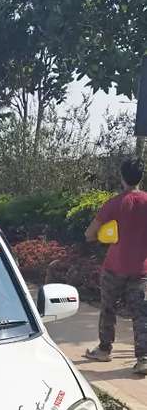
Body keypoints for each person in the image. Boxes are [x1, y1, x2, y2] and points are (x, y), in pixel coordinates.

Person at [84, 156, 147, 375]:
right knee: (142, 314)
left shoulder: (114, 204)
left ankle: (104, 350)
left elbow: (89, 234)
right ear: (141, 177)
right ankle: (143, 359)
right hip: (142, 270)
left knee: (108, 308)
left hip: (114, 267)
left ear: (122, 177)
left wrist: (103, 236)